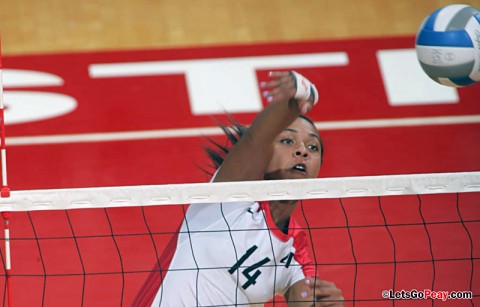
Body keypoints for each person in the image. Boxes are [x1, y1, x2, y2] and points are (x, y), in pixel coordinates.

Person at [133, 71, 344, 306]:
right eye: (287, 141)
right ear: (265, 154)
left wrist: (323, 303)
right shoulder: (231, 196)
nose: (302, 151)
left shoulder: (294, 249)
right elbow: (256, 138)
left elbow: (304, 299)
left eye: (313, 147)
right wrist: (300, 96)